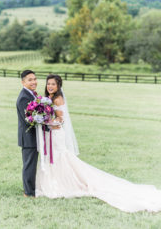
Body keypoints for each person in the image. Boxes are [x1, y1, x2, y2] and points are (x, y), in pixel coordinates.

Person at [35, 74, 161, 213]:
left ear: (58, 86)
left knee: (60, 157)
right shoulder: (48, 99)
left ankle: (62, 184)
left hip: (56, 134)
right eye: (48, 84)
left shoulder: (58, 99)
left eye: (53, 84)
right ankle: (52, 182)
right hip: (49, 134)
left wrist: (47, 122)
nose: (50, 86)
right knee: (53, 157)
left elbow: (60, 120)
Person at [16, 70, 38, 197]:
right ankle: (29, 192)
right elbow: (29, 119)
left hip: (33, 136)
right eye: (30, 80)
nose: (34, 82)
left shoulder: (31, 94)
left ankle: (32, 189)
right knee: (29, 165)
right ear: (23, 82)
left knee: (31, 163)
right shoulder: (24, 97)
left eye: (34, 79)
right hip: (29, 137)